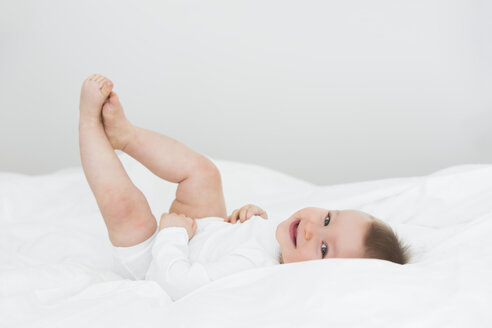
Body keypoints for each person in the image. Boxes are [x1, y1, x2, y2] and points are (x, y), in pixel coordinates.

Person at [79, 74, 409, 301]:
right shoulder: (287, 246)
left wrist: (171, 235)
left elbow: (175, 283)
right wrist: (252, 217)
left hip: (157, 257)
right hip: (200, 230)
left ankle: (89, 125)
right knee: (205, 173)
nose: (310, 230)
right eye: (326, 219)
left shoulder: (254, 271)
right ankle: (125, 135)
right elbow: (248, 239)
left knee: (127, 209)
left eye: (323, 250)